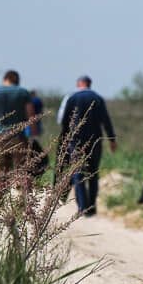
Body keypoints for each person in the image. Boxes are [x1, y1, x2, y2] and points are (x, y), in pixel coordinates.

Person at [60, 75, 116, 216]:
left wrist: (64, 141)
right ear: (89, 84)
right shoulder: (97, 98)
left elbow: (64, 121)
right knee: (92, 173)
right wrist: (112, 139)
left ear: (79, 84)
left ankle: (82, 207)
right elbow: (106, 120)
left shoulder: (72, 98)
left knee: (77, 173)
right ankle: (92, 207)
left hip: (75, 141)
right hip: (94, 141)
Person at [0, 70, 35, 195]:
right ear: (17, 80)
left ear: (5, 78)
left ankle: (0, 200)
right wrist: (33, 134)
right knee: (21, 169)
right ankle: (21, 202)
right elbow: (31, 115)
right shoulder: (23, 93)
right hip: (18, 137)